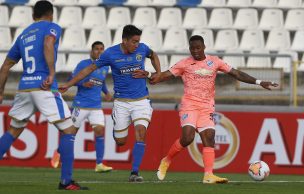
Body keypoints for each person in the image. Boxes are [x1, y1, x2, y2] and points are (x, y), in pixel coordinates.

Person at [133, 35, 278, 184]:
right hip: (189, 105)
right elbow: (164, 76)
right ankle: (167, 160)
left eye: (198, 48)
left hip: (206, 107)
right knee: (188, 138)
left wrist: (259, 82)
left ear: (204, 47)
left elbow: (236, 73)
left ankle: (208, 175)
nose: (195, 51)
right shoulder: (184, 63)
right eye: (192, 48)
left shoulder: (214, 61)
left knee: (209, 138)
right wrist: (150, 75)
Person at [0, 1, 88, 190]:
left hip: (24, 87)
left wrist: (0, 92)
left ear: (33, 15)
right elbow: (48, 42)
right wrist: (51, 73)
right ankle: (66, 181)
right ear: (51, 13)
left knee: (13, 131)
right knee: (69, 129)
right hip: (43, 86)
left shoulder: (24, 35)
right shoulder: (52, 27)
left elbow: (5, 66)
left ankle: (67, 181)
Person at [59, 25, 162, 182]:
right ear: (125, 40)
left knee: (141, 132)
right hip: (121, 102)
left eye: (138, 41)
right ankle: (118, 126)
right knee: (120, 141)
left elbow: (154, 55)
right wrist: (69, 84)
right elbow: (89, 69)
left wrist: (157, 73)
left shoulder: (142, 49)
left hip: (142, 100)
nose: (137, 45)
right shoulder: (110, 54)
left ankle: (134, 173)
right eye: (134, 41)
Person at [51, 41, 113, 173]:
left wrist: (106, 92)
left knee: (100, 131)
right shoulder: (83, 64)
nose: (99, 51)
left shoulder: (104, 66)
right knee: (70, 133)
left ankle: (99, 164)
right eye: (97, 49)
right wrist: (83, 83)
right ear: (91, 50)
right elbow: (72, 79)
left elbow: (100, 82)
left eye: (102, 49)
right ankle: (58, 152)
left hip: (96, 106)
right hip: (81, 105)